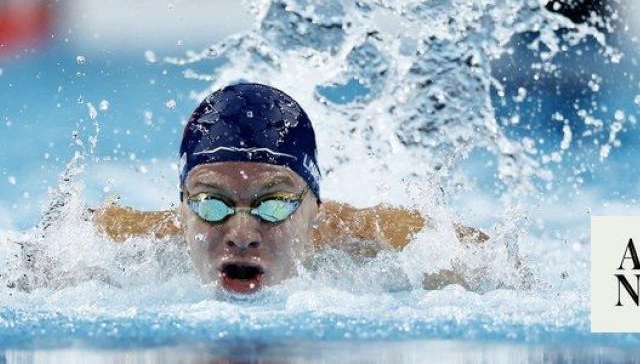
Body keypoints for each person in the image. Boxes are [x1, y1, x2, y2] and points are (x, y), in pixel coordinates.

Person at [94, 82, 487, 294]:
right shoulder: (135, 242)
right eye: (213, 204)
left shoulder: (367, 236)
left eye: (274, 205)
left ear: (315, 208)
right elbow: (61, 242)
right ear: (181, 207)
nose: (243, 236)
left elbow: (485, 258)